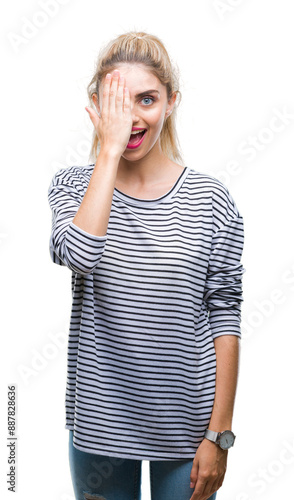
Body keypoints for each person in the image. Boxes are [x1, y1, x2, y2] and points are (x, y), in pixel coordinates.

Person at [48, 31, 244, 500]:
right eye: (118, 102)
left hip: (187, 429)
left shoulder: (212, 201)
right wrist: (110, 152)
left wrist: (220, 436)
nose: (133, 117)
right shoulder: (72, 186)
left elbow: (225, 314)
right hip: (99, 426)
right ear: (96, 106)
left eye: (148, 99)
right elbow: (78, 255)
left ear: (172, 102)